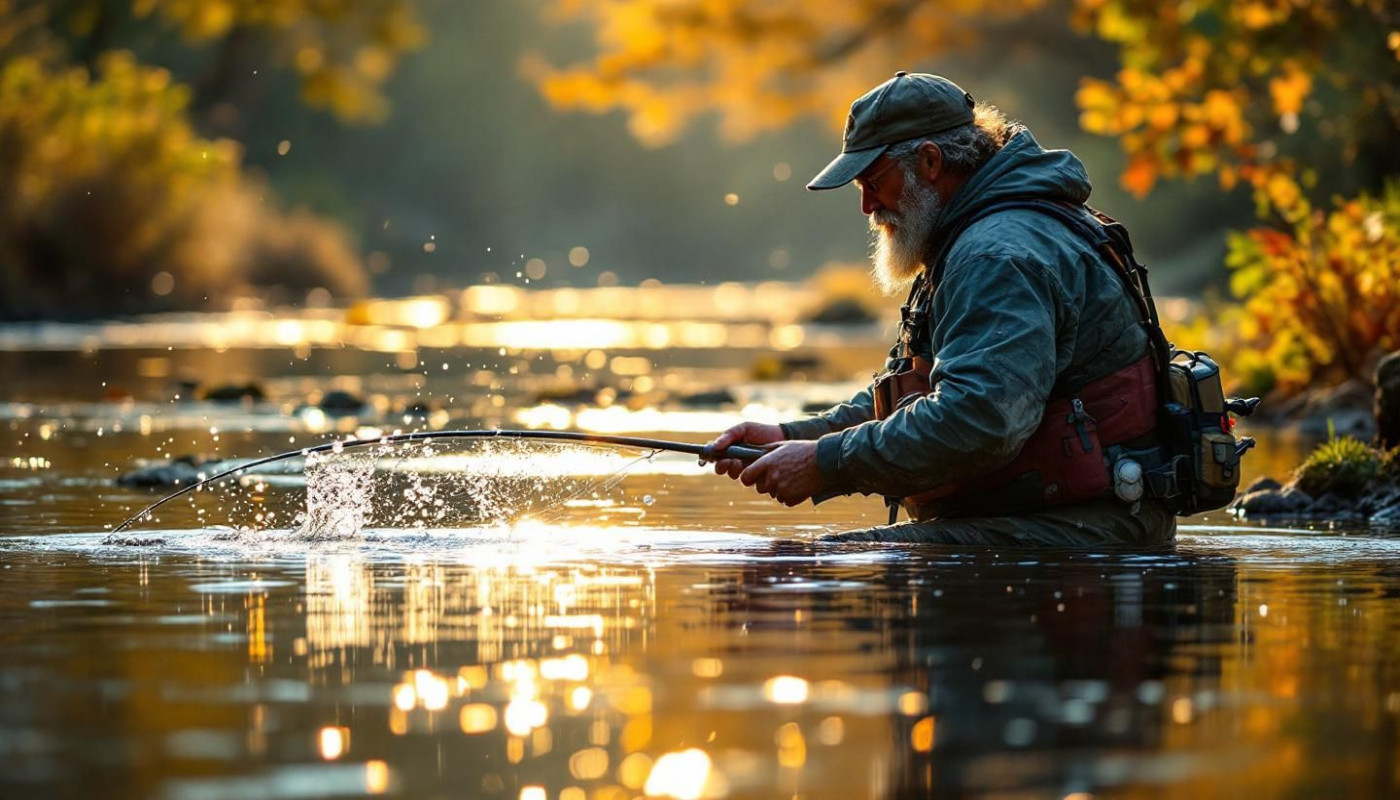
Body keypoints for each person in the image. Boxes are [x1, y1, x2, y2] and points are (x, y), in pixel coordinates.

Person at [708, 71, 1176, 546]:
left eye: (873, 180)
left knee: (830, 561)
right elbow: (917, 394)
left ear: (930, 161)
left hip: (1091, 528)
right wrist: (791, 435)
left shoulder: (996, 256)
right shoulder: (973, 237)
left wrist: (824, 463)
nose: (867, 206)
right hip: (1056, 516)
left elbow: (980, 419)